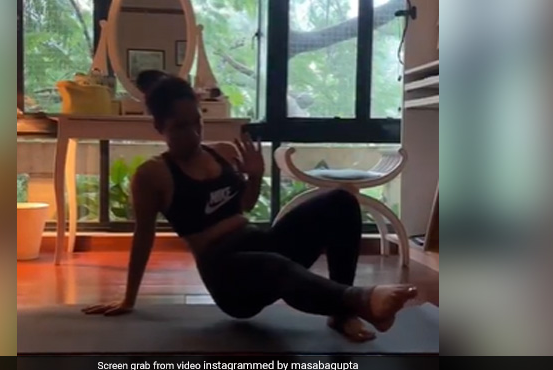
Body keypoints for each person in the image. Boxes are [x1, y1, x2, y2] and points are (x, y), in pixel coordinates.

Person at [83, 77, 418, 342]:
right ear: (159, 127)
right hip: (225, 272)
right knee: (277, 266)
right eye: (180, 127)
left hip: (257, 242)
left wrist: (255, 176)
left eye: (197, 122)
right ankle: (362, 300)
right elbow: (143, 236)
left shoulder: (221, 152)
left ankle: (342, 314)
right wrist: (128, 298)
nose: (193, 134)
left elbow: (242, 206)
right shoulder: (152, 175)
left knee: (340, 201)